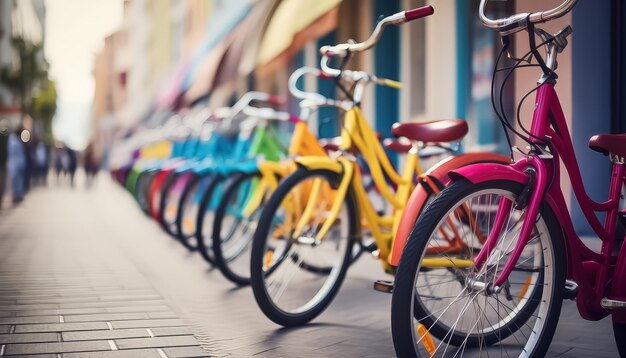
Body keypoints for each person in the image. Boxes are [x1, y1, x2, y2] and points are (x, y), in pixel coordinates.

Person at [7, 128, 26, 203]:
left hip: (16, 163)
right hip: (15, 163)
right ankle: (16, 195)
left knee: (18, 180)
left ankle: (17, 195)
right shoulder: (13, 141)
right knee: (15, 181)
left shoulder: (15, 140)